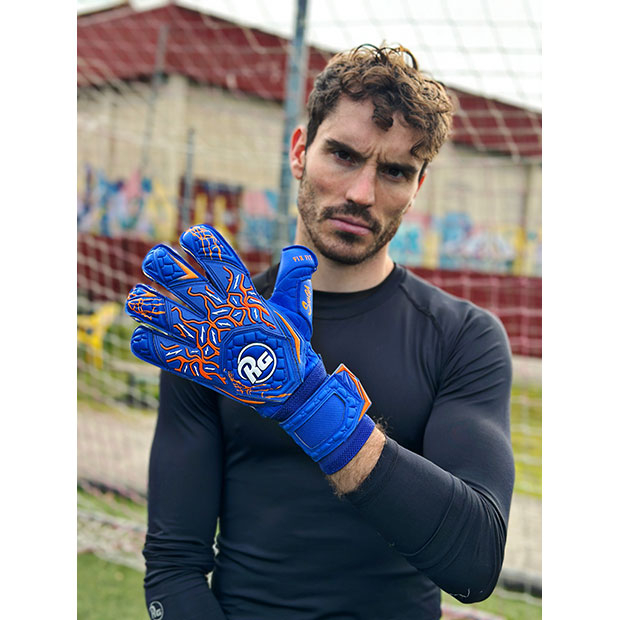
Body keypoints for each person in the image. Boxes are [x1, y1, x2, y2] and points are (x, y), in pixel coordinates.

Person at [128, 44, 515, 620]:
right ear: (299, 152)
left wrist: (311, 406)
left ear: (418, 186)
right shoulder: (217, 329)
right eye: (343, 154)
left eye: (394, 171)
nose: (361, 193)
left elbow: (475, 562)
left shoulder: (463, 337)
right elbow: (173, 567)